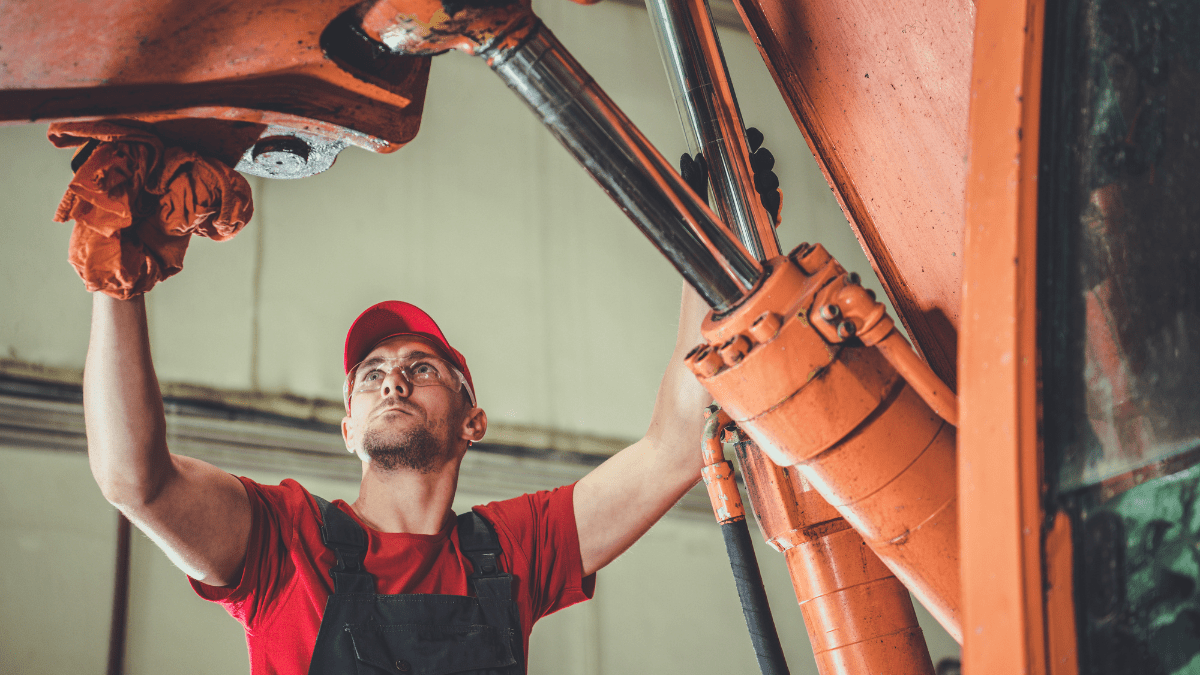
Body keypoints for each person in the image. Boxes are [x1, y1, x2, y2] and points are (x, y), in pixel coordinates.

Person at [84, 285, 711, 674]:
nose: (392, 380)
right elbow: (134, 480)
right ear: (348, 429)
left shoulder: (515, 549)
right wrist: (115, 282)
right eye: (371, 374)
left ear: (474, 421)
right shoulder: (284, 539)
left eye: (422, 368)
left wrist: (705, 259)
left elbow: (675, 448)